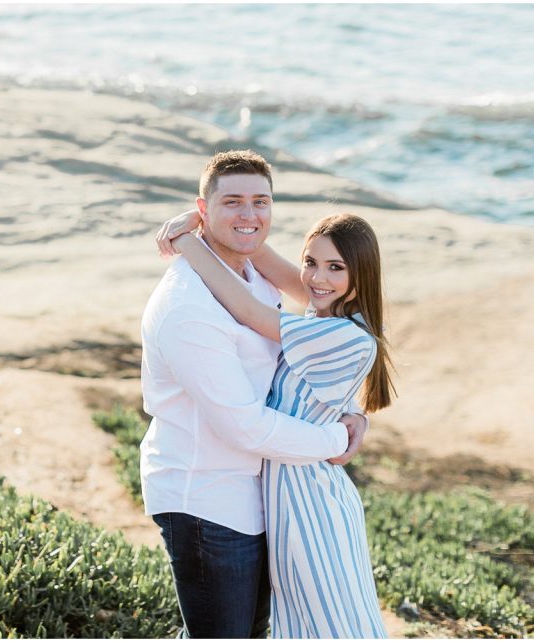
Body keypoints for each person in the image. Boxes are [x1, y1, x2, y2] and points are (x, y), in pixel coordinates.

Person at [139, 150, 369, 639]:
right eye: (233, 202)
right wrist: (336, 440)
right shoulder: (190, 309)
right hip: (207, 498)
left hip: (260, 493)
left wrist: (351, 409)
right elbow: (244, 424)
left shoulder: (253, 278)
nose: (249, 214)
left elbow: (309, 318)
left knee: (248, 631)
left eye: (260, 202)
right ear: (205, 209)